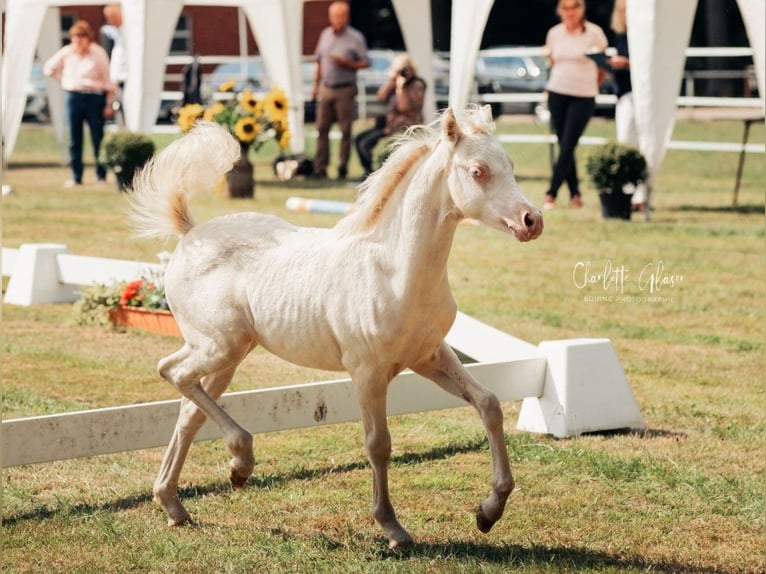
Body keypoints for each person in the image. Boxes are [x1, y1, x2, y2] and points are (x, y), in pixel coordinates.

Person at [543, 0, 607, 209]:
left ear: (582, 9)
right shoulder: (554, 33)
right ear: (560, 11)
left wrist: (591, 86)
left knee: (569, 143)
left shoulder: (594, 33)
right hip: (558, 91)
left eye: (575, 7)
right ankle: (575, 193)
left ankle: (551, 192)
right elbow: (553, 62)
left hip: (583, 94)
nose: (571, 12)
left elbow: (602, 67)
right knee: (565, 145)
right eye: (566, 8)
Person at [44, 20, 115, 188]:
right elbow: (49, 68)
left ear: (88, 38)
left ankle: (101, 176)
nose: (79, 40)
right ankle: (76, 176)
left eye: (82, 36)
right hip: (74, 95)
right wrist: (63, 79)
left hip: (94, 96)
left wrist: (109, 103)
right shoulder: (67, 52)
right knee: (75, 139)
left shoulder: (98, 53)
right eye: (76, 37)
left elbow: (107, 79)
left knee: (98, 137)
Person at [311, 1, 369, 179]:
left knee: (345, 129)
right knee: (322, 128)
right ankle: (320, 167)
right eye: (335, 16)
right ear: (330, 17)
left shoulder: (355, 38)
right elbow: (319, 62)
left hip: (346, 88)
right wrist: (315, 85)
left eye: (342, 16)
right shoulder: (325, 35)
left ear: (347, 17)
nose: (338, 20)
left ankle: (342, 167)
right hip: (327, 87)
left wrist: (348, 64)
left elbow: (365, 62)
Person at [355, 54, 425, 178]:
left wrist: (400, 88)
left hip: (404, 126)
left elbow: (404, 107)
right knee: (359, 139)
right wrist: (392, 81)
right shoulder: (395, 82)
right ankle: (368, 171)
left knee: (365, 144)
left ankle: (373, 174)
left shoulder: (417, 84)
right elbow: (381, 96)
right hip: (389, 124)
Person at [609, 0, 646, 210]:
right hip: (623, 93)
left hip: (637, 93)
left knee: (637, 143)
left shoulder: (641, 37)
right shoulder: (623, 36)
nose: (624, 14)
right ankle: (629, 192)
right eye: (622, 11)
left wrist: (626, 63)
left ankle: (639, 194)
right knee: (626, 142)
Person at [100, 4, 128, 126]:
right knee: (120, 113)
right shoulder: (114, 33)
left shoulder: (128, 32)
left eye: (112, 17)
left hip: (127, 79)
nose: (110, 20)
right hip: (118, 81)